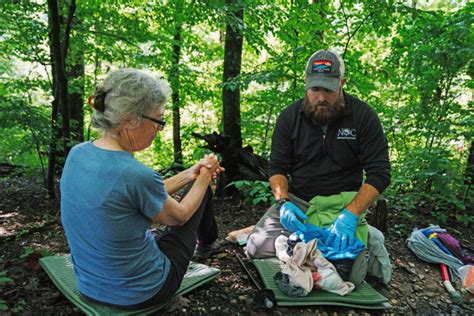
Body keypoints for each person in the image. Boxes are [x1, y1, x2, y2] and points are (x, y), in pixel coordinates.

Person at [60, 68, 224, 309]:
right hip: (143, 292)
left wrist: (192, 173)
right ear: (129, 120)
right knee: (202, 194)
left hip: (90, 287)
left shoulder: (78, 153)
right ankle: (208, 243)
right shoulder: (134, 174)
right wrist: (205, 177)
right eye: (158, 121)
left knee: (195, 191)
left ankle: (208, 241)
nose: (159, 129)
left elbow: (139, 193)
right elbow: (179, 216)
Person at [247, 50, 392, 287]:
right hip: (300, 203)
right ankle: (314, 239)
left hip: (344, 205)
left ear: (342, 84)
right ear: (306, 85)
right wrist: (283, 202)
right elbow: (277, 167)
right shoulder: (290, 117)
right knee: (256, 246)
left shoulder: (363, 116)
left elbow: (380, 172)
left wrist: (351, 214)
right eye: (315, 89)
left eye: (328, 90)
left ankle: (363, 236)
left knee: (351, 274)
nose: (321, 97)